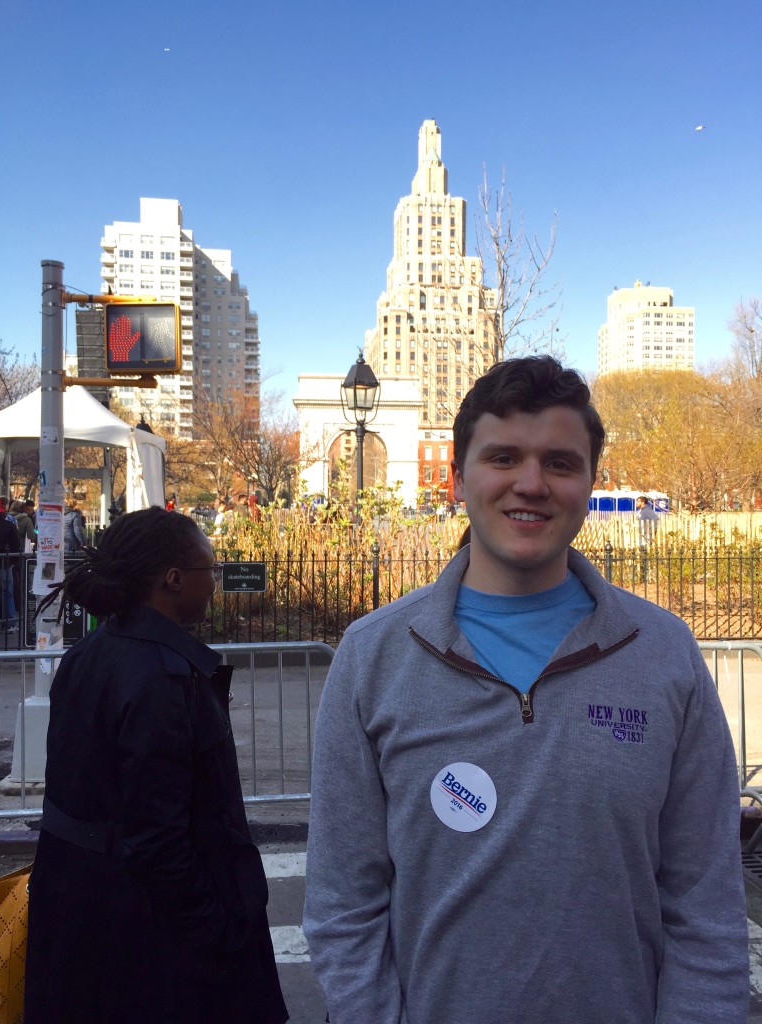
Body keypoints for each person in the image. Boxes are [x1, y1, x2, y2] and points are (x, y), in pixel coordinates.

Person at [303, 356, 749, 1023]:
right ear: (458, 480)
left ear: (590, 483)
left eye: (560, 463)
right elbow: (344, 906)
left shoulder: (664, 655)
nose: (532, 484)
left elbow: (705, 906)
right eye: (504, 457)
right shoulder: (372, 657)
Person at [25, 507, 288, 1024]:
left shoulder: (92, 652)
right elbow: (158, 838)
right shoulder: (161, 678)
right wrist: (216, 929)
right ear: (173, 579)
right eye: (209, 569)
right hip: (148, 940)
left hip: (83, 919)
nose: (214, 581)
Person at [0, 497, 20, 633]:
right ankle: (10, 623)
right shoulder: (9, 525)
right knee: (7, 593)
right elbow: (16, 544)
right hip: (4, 563)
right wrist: (13, 561)